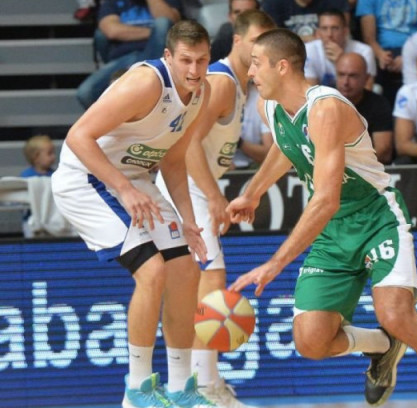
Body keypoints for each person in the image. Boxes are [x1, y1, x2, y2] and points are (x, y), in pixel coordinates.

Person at [227, 28, 417, 408]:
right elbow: (286, 145)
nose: (250, 71)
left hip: (376, 217)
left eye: (257, 63)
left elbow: (326, 200)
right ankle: (381, 346)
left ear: (283, 66)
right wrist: (252, 192)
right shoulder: (269, 107)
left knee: (396, 314)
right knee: (310, 341)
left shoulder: (326, 109)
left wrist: (275, 263)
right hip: (334, 231)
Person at [52, 20, 213, 408]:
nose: (194, 70)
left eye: (202, 60)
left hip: (133, 177)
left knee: (185, 270)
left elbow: (173, 160)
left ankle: (180, 390)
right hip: (87, 178)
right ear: (168, 56)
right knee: (152, 271)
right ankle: (137, 391)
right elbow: (78, 136)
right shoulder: (146, 83)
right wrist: (124, 190)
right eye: (186, 60)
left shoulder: (201, 92)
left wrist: (188, 220)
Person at [156, 10, 275, 407]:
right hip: (184, 188)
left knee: (197, 287)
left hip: (191, 187)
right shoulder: (223, 82)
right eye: (254, 41)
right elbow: (187, 145)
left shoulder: (241, 87)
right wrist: (214, 197)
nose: (259, 50)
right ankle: (203, 385)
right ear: (237, 40)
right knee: (212, 282)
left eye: (266, 43)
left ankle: (198, 381)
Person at [76, 0, 181, 108]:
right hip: (125, 57)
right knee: (86, 92)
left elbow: (170, 25)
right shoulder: (113, 3)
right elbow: (112, 31)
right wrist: (154, 33)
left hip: (157, 56)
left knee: (162, 23)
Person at [356, 0, 417, 104]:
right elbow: (369, 38)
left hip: (416, 49)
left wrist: (408, 56)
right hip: (381, 51)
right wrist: (380, 55)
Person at [336, 52, 393, 164]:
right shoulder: (323, 102)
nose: (345, 82)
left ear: (366, 78)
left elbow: (383, 151)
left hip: (367, 168)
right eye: (341, 75)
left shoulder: (379, 104)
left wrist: (349, 164)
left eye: (353, 76)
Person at [304, 9, 376, 89]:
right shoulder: (308, 50)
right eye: (324, 28)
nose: (329, 34)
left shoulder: (364, 51)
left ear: (345, 31)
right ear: (318, 32)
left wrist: (342, 60)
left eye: (335, 28)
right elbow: (310, 91)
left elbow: (367, 88)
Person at [262, 0, 351, 42]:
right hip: (286, 53)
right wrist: (310, 38)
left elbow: (344, 33)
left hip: (327, 51)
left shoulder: (336, 2)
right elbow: (271, 39)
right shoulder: (273, 3)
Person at [233, 82, 274, 169]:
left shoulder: (262, 101)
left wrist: (239, 143)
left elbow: (269, 155)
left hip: (250, 166)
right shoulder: (215, 97)